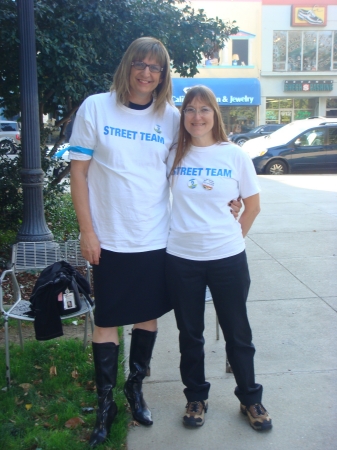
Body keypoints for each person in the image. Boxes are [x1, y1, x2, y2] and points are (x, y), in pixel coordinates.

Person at [69, 38, 242, 447]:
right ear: (128, 65)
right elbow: (79, 174)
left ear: (164, 75)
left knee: (147, 315)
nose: (147, 73)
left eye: (156, 68)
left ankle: (135, 388)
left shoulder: (170, 117)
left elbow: (194, 164)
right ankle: (106, 402)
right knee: (107, 320)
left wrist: (229, 194)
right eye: (140, 64)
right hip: (109, 237)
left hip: (155, 237)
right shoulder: (95, 107)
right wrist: (87, 231)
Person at [165, 85, 272, 432]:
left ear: (215, 114)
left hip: (228, 259)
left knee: (237, 332)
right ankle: (196, 396)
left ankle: (250, 399)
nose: (197, 116)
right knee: (190, 334)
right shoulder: (172, 154)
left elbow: (252, 205)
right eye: (190, 109)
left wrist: (231, 237)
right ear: (183, 116)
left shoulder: (234, 155)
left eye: (204, 109)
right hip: (182, 258)